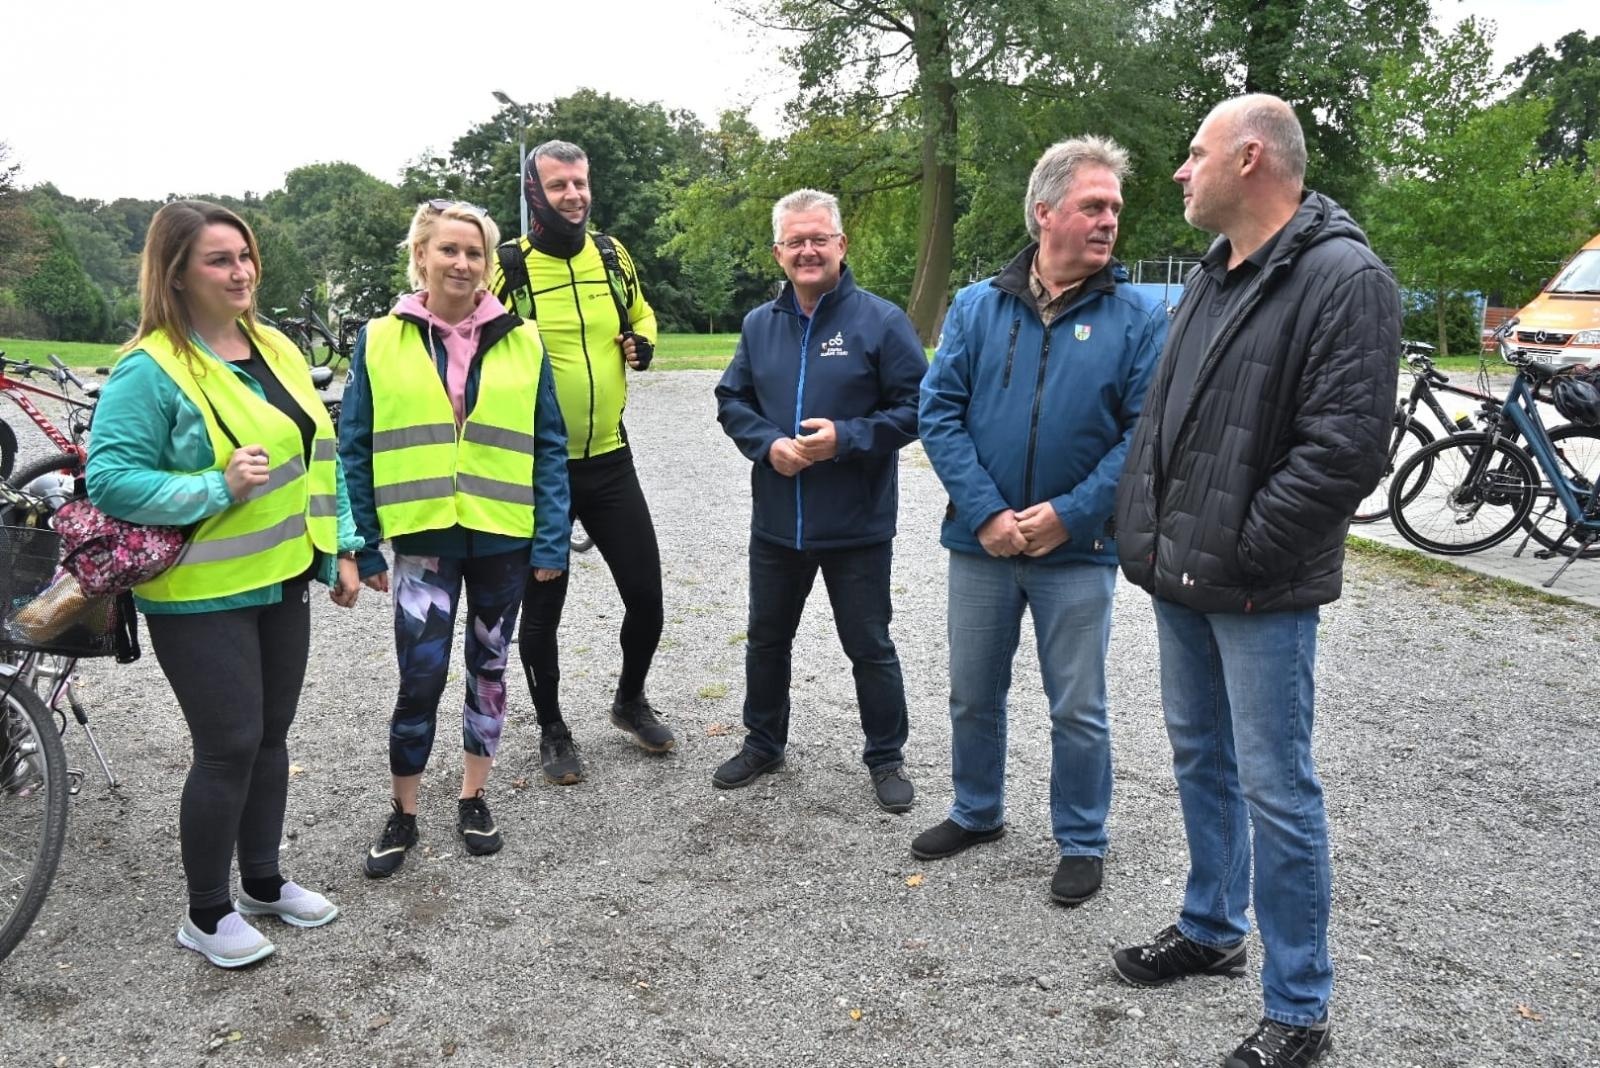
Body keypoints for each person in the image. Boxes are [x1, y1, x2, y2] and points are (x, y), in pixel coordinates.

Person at [1111, 95, 1400, 1068]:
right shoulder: (1214, 274)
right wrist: (1149, 536)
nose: (1180, 173)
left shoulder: (1341, 278)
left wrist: (1244, 548)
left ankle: (1300, 1009)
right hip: (1182, 576)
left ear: (1247, 159)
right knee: (1201, 759)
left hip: (1253, 587)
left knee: (1278, 790)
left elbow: (1343, 452)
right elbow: (1163, 421)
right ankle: (1209, 926)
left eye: (1193, 154)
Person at [86, 200, 364, 968]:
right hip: (198, 594)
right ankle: (206, 914)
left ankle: (264, 883)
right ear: (176, 274)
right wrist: (214, 486)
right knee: (228, 746)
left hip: (282, 580)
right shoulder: (151, 367)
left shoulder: (271, 344)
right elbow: (108, 479)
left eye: (244, 255)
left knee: (270, 740)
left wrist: (338, 546)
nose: (240, 271)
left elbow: (320, 454)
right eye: (219, 259)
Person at [914, 137, 1167, 907]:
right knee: (971, 693)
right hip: (981, 544)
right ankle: (977, 810)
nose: (1108, 221)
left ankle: (1082, 838)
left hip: (1079, 550)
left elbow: (1142, 435)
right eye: (1094, 205)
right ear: (1044, 211)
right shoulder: (975, 306)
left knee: (1078, 708)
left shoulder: (1137, 317)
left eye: (1115, 209)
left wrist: (1071, 513)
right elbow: (940, 411)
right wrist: (987, 512)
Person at [341, 200, 570, 878]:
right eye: (449, 250)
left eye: (475, 252)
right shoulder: (380, 338)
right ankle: (404, 810)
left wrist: (552, 540)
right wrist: (362, 540)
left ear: (488, 262)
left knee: (490, 673)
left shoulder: (522, 339)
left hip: (503, 537)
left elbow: (549, 445)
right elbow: (354, 444)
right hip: (423, 538)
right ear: (421, 257)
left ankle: (473, 796)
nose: (463, 263)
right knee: (419, 678)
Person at [711, 188, 927, 811]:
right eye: (795, 241)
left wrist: (848, 439)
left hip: (856, 523)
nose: (808, 250)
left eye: (819, 239)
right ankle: (763, 741)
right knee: (766, 638)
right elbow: (732, 400)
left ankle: (885, 756)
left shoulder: (880, 321)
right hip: (778, 522)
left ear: (841, 245)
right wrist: (767, 445)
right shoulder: (760, 324)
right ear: (778, 252)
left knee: (869, 645)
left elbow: (917, 408)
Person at [489, 139, 672, 785]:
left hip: (611, 458)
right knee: (544, 612)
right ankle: (553, 730)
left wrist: (642, 341)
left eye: (580, 183)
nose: (574, 195)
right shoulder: (508, 266)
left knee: (647, 598)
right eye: (559, 185)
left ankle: (629, 700)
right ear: (535, 192)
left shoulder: (614, 256)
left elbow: (642, 312)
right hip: (542, 471)